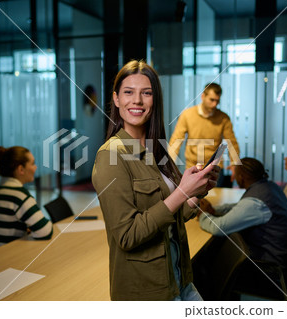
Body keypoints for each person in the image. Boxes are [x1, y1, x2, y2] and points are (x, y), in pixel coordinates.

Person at [92, 60, 219, 301]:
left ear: (155, 100)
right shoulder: (111, 155)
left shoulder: (156, 150)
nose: (137, 101)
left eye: (146, 93)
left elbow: (171, 215)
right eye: (128, 92)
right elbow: (127, 236)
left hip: (178, 277)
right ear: (116, 99)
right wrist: (181, 192)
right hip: (147, 291)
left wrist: (195, 193)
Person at [198, 157, 287, 267]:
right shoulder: (269, 186)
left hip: (268, 263)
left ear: (241, 177)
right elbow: (240, 207)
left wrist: (203, 213)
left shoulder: (255, 203)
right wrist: (214, 210)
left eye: (234, 173)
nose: (233, 177)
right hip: (281, 252)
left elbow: (218, 228)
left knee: (211, 253)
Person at [0, 146, 53, 249]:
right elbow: (45, 231)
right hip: (5, 260)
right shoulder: (19, 196)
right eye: (33, 163)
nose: (35, 167)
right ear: (21, 169)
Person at [168, 83, 239, 184]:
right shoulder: (187, 115)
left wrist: (234, 164)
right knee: (192, 199)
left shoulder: (223, 118)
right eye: (212, 100)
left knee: (215, 199)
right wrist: (169, 164)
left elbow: (232, 142)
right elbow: (176, 140)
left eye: (217, 101)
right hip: (193, 168)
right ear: (203, 96)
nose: (215, 104)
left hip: (215, 169)